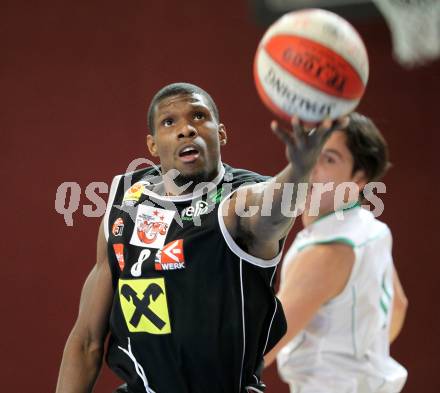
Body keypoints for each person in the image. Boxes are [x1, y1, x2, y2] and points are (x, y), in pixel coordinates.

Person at [56, 82, 342, 393]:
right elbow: (87, 341)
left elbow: (270, 211)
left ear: (220, 133)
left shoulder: (237, 200)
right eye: (170, 122)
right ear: (152, 145)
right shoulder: (127, 198)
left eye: (198, 116)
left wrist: (299, 169)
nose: (186, 129)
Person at [264, 112, 408, 393]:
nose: (310, 166)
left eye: (328, 158)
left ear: (360, 177)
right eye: (311, 151)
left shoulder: (326, 251)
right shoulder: (373, 229)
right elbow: (398, 305)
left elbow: (259, 349)